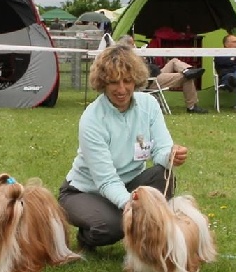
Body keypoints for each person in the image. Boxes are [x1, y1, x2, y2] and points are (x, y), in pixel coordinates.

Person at [58, 44, 189, 250]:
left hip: (130, 183)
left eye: (127, 81)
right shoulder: (92, 119)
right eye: (113, 82)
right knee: (112, 226)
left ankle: (147, 235)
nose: (121, 89)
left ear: (136, 79)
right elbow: (106, 180)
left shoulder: (150, 105)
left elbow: (161, 150)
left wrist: (171, 155)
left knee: (164, 175)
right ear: (102, 83)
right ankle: (87, 235)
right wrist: (134, 206)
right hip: (85, 191)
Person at [117, 35, 208, 114]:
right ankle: (191, 106)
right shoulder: (127, 57)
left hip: (156, 73)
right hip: (151, 80)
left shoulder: (131, 55)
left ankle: (187, 70)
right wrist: (142, 59)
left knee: (174, 61)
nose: (134, 45)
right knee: (186, 77)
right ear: (127, 45)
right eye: (132, 44)